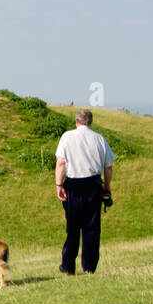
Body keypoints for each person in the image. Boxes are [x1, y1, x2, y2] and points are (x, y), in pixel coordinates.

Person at [54, 108, 116, 274]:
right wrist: (107, 187)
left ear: (76, 121)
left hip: (73, 185)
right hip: (93, 185)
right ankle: (89, 267)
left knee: (72, 227)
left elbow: (61, 163)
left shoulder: (67, 137)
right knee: (92, 228)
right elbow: (108, 167)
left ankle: (68, 265)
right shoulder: (99, 139)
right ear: (91, 122)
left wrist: (59, 185)